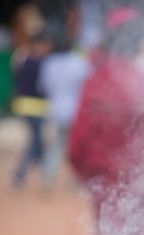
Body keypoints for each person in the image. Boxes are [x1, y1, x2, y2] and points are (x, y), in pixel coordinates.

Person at [69, 7, 144, 235]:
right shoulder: (143, 80)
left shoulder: (96, 80)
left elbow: (79, 137)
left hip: (105, 181)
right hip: (139, 180)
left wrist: (84, 170)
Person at [39, 33, 91, 188]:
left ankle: (47, 176)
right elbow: (87, 86)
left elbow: (44, 87)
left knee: (55, 146)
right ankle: (76, 181)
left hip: (55, 109)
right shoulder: (79, 63)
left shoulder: (49, 63)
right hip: (75, 111)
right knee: (77, 146)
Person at [11, 30, 52, 188]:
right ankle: (20, 175)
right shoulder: (38, 61)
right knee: (36, 142)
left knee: (38, 141)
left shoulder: (21, 57)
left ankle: (41, 174)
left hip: (29, 106)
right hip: (33, 106)